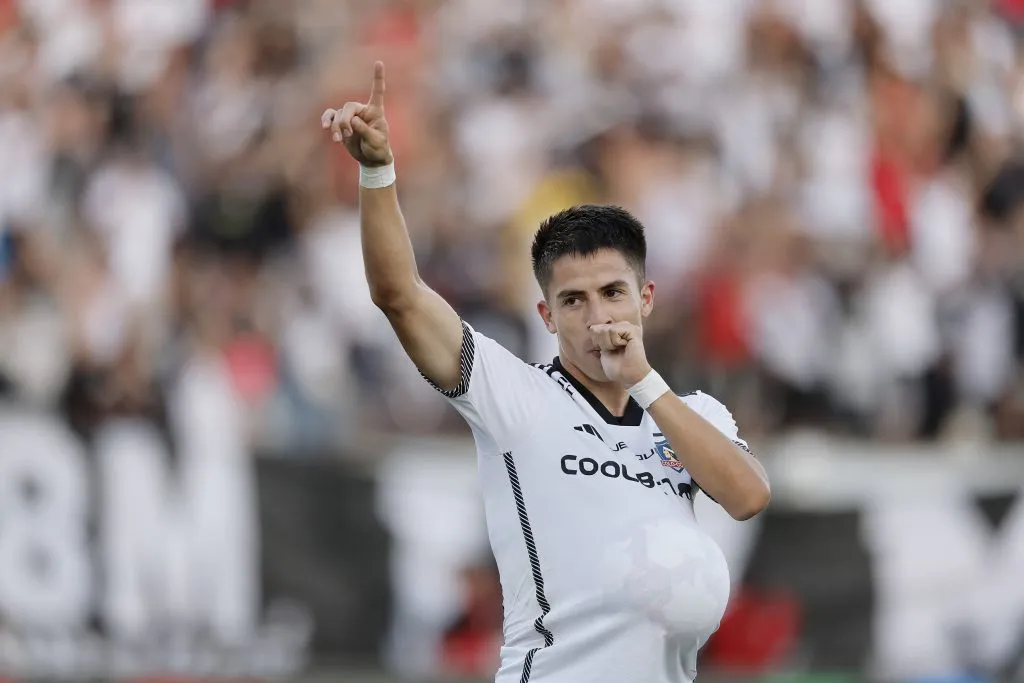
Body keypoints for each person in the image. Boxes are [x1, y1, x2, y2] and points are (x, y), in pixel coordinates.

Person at [322, 62, 771, 683]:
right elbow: (399, 294)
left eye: (613, 293)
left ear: (645, 299)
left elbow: (748, 495)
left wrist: (645, 383)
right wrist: (377, 170)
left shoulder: (693, 413)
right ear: (546, 313)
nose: (596, 317)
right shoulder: (516, 396)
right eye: (573, 300)